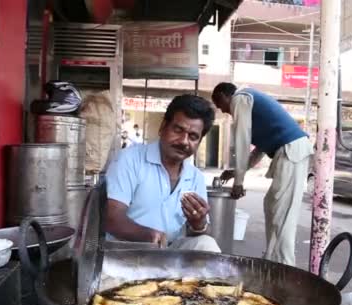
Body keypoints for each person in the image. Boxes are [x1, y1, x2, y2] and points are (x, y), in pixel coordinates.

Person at [211, 82, 312, 265]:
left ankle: (284, 265)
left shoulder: (240, 98)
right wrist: (236, 173)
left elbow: (242, 140)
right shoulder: (250, 102)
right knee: (273, 206)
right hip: (289, 151)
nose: (224, 111)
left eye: (220, 105)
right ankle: (274, 260)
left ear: (226, 96)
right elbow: (259, 149)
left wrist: (239, 182)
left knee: (283, 213)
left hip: (291, 151)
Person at [105, 94, 220, 252]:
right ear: (162, 127)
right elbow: (112, 217)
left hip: (170, 257)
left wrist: (199, 224)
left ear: (199, 142)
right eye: (178, 130)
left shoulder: (195, 177)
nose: (184, 141)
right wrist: (149, 236)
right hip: (126, 254)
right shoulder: (129, 160)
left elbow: (201, 232)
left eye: (193, 137)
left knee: (207, 245)